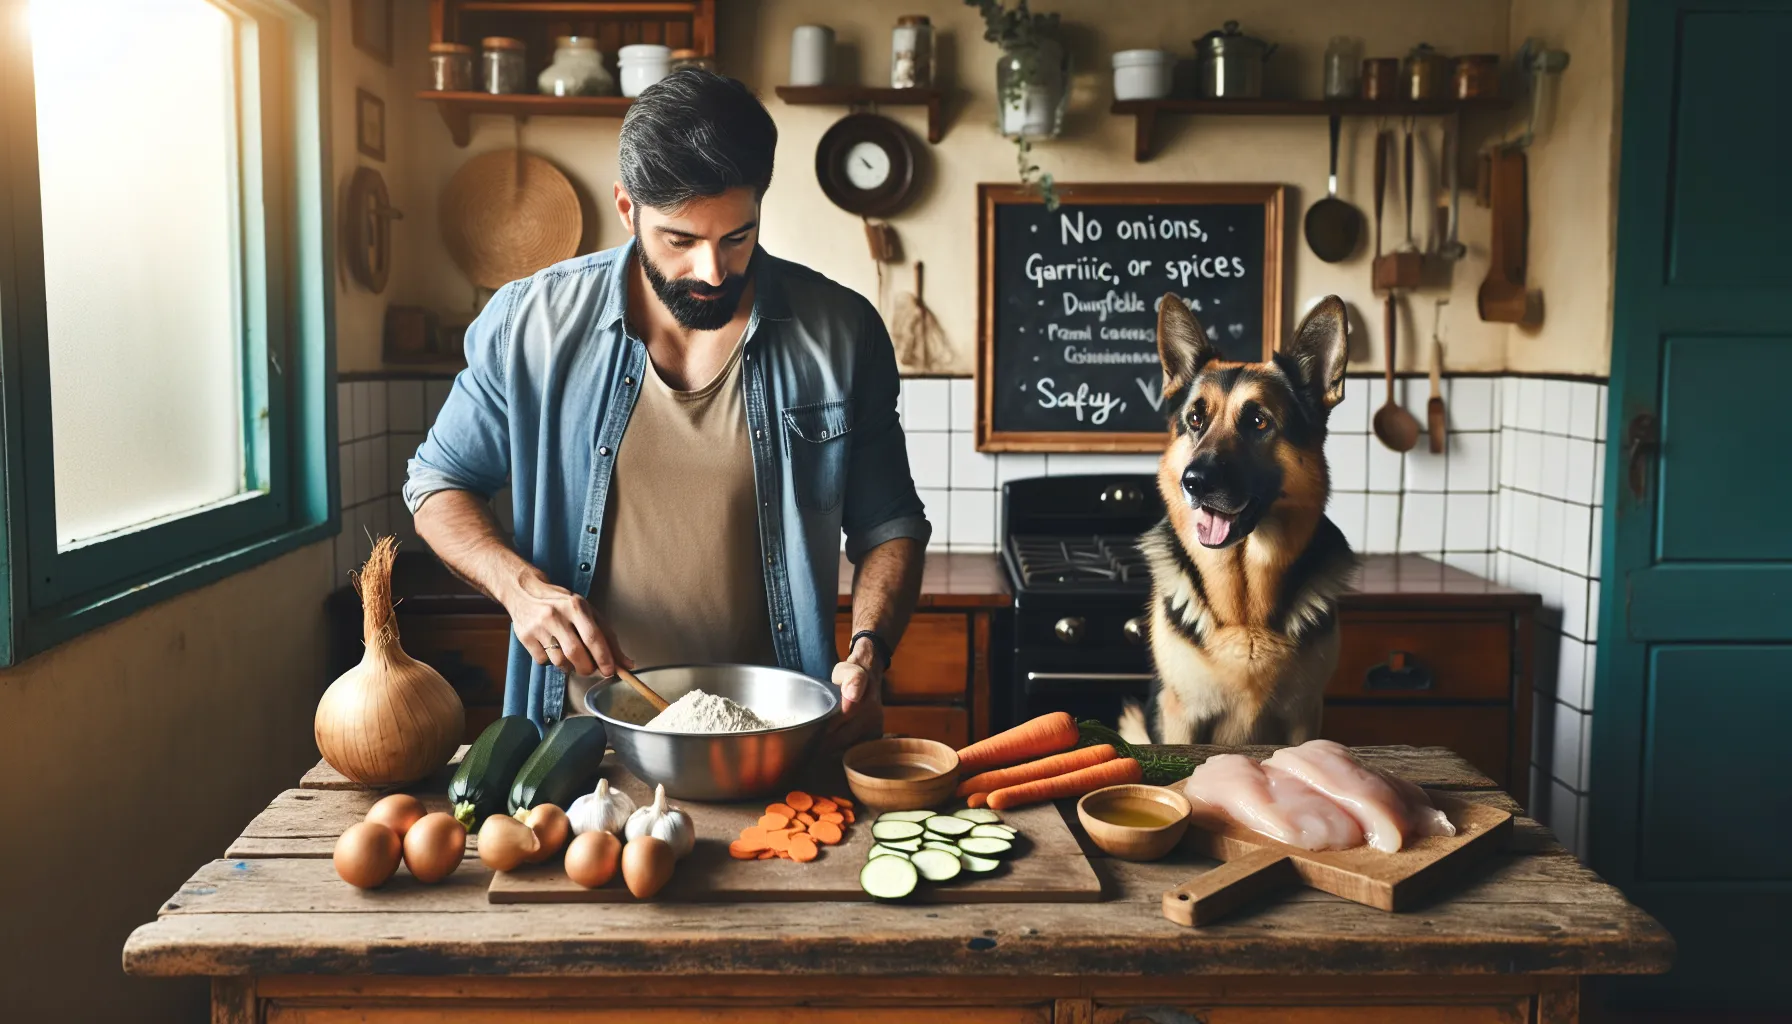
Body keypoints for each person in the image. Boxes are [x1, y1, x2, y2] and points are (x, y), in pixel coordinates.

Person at [403, 70, 928, 744]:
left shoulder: (842, 333)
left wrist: (867, 654)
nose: (713, 271)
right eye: (681, 240)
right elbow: (439, 483)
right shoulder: (529, 323)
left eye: (737, 236)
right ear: (628, 209)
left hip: (774, 735)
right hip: (574, 740)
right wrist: (518, 587)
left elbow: (890, 524)